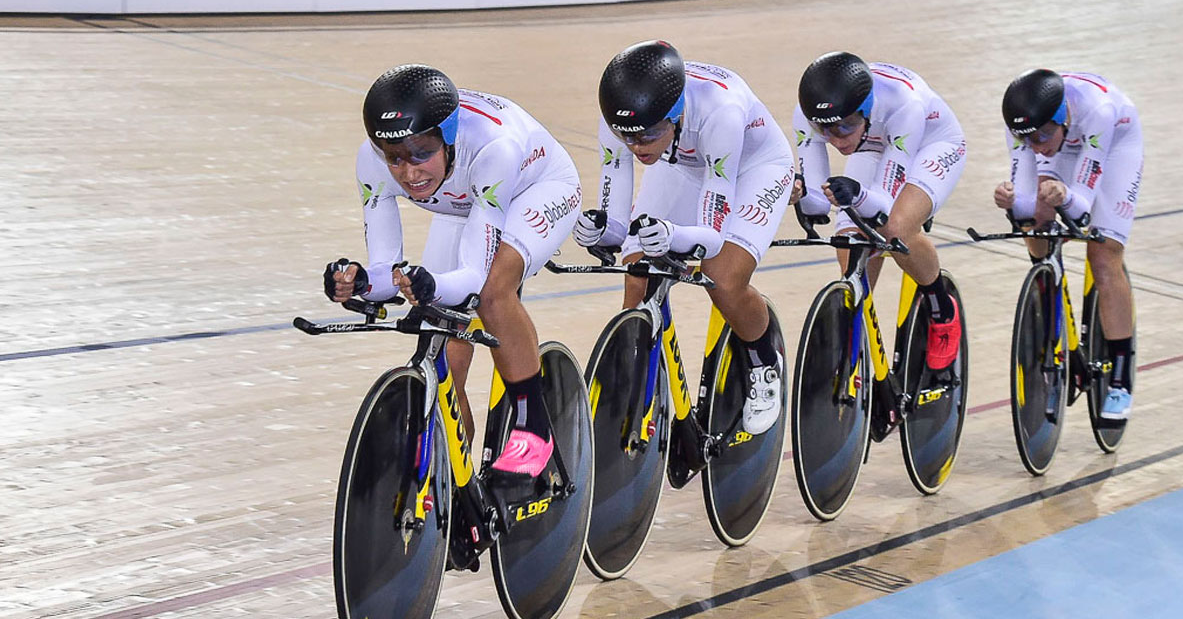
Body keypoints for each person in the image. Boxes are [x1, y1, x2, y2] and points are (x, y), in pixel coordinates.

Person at [324, 64, 582, 487]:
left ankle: (533, 426)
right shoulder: (371, 160)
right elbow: (388, 268)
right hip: (466, 205)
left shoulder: (491, 149)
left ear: (447, 138)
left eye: (422, 153)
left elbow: (473, 279)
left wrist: (432, 286)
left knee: (493, 291)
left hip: (535, 189)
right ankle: (455, 491)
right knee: (446, 361)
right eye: (396, 158)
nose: (409, 173)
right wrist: (361, 282)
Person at [574, 40, 794, 437]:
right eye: (629, 137)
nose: (637, 146)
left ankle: (764, 363)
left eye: (647, 135)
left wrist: (673, 234)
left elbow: (710, 236)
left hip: (752, 169)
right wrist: (599, 230)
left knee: (722, 277)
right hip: (683, 165)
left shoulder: (720, 114)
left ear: (675, 115)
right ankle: (638, 386)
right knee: (637, 271)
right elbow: (617, 217)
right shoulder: (623, 122)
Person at [790, 52, 965, 371]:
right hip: (873, 147)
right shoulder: (808, 116)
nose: (836, 139)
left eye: (845, 127)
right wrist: (798, 194)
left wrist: (856, 195)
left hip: (930, 144)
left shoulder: (904, 105)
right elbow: (817, 202)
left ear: (865, 112)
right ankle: (862, 355)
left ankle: (942, 309)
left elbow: (883, 209)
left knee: (897, 227)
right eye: (826, 131)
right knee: (849, 245)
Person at [993, 68, 1142, 420]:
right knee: (1037, 218)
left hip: (1113, 144)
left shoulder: (1098, 111)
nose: (1037, 145)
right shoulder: (1028, 128)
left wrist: (1065, 197)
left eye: (1043, 135)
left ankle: (1120, 380)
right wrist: (1011, 201)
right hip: (1068, 144)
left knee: (1104, 257)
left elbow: (1083, 209)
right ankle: (1048, 283)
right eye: (1028, 139)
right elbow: (1025, 199)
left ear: (1062, 117)